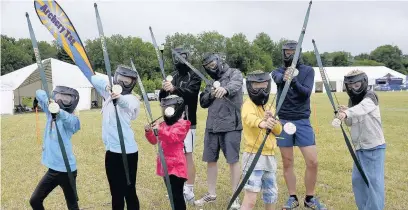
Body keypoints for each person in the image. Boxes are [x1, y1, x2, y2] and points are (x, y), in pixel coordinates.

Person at [271, 40, 325, 209]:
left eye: (292, 52)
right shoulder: (277, 71)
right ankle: (292, 197)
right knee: (287, 162)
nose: (289, 54)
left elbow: (306, 93)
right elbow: (278, 78)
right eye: (286, 52)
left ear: (298, 52)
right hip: (284, 120)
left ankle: (310, 198)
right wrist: (285, 76)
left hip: (302, 120)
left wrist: (293, 80)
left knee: (312, 161)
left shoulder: (308, 71)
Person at [194, 53, 243, 209]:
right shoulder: (210, 81)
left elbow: (236, 85)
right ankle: (211, 193)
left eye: (213, 64)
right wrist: (211, 94)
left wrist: (225, 89)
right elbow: (203, 101)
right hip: (212, 126)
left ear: (219, 61)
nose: (211, 68)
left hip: (231, 125)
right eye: (207, 67)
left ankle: (235, 196)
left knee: (233, 160)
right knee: (211, 160)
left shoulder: (234, 73)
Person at [91, 65, 141, 210]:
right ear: (115, 78)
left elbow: (126, 105)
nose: (123, 83)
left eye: (128, 81)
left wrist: (118, 98)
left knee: (129, 191)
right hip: (111, 151)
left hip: (128, 152)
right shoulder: (108, 94)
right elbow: (94, 79)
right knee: (116, 193)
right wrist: (108, 88)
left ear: (132, 83)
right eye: (121, 79)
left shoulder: (132, 99)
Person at [336, 70, 386, 210]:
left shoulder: (371, 96)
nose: (353, 88)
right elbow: (350, 122)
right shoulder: (352, 101)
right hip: (359, 148)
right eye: (349, 85)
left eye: (356, 84)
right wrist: (344, 114)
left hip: (374, 147)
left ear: (363, 82)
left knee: (374, 183)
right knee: (358, 181)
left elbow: (363, 108)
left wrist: (347, 112)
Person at [159, 46, 202, 204]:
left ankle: (189, 189)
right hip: (172, 122)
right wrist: (165, 90)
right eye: (177, 57)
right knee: (175, 155)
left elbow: (191, 94)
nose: (180, 60)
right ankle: (177, 187)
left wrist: (175, 88)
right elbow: (163, 99)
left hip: (187, 122)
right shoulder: (174, 76)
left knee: (187, 155)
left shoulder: (194, 75)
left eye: (183, 56)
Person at [30, 86, 80, 210]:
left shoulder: (72, 120)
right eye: (59, 98)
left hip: (67, 170)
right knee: (35, 201)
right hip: (53, 170)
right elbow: (38, 92)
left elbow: (73, 123)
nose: (62, 101)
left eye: (66, 99)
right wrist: (49, 102)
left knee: (72, 206)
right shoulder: (49, 113)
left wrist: (59, 111)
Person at [240, 71, 283, 210]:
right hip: (254, 157)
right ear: (250, 87)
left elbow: (278, 130)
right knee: (251, 197)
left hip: (269, 157)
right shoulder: (248, 104)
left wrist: (273, 121)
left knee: (271, 194)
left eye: (263, 85)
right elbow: (249, 118)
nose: (260, 89)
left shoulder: (269, 107)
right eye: (256, 86)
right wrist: (262, 123)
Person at [145, 95, 191, 210]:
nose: (166, 110)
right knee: (172, 196)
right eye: (164, 107)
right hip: (165, 165)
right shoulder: (162, 124)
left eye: (169, 107)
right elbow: (154, 141)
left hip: (176, 167)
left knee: (177, 196)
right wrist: (149, 131)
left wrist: (159, 130)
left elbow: (172, 137)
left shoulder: (182, 125)